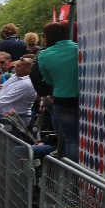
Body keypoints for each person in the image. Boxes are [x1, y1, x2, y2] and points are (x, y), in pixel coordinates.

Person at [36, 22, 79, 160]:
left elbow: (48, 80)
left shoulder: (44, 55)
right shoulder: (79, 48)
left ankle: (72, 170)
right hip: (83, 99)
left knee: (71, 139)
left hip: (62, 100)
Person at [0, 55, 38, 119]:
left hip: (15, 120)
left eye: (19, 66)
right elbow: (2, 89)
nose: (15, 69)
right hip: (1, 116)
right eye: (16, 66)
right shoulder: (15, 76)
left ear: (28, 69)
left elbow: (4, 99)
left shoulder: (27, 84)